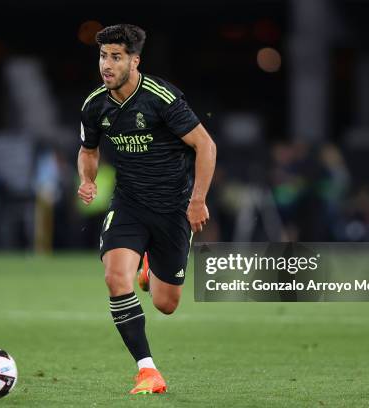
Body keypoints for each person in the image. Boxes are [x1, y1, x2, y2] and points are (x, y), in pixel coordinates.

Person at [76, 24, 216, 394]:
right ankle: (147, 370)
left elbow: (206, 146)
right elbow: (89, 150)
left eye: (116, 57)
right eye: (103, 56)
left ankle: (151, 264)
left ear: (134, 61)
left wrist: (197, 200)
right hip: (130, 204)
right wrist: (88, 180)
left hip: (173, 209)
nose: (107, 64)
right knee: (114, 278)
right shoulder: (95, 105)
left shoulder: (161, 97)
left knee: (166, 304)